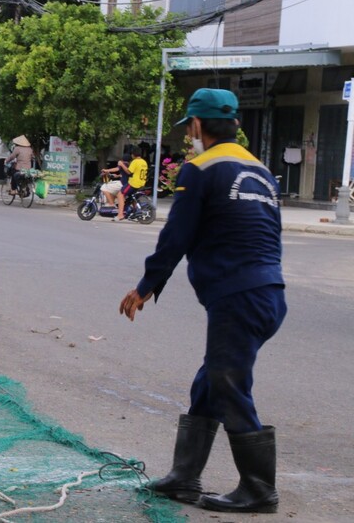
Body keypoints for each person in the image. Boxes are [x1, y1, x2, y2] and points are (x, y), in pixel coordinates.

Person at [119, 88, 286, 514]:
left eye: (189, 129)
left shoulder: (201, 168)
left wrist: (146, 285)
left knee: (228, 384)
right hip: (268, 294)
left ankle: (258, 488)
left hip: (237, 295)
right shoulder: (262, 171)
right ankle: (184, 477)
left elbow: (176, 235)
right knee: (211, 380)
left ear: (196, 125)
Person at [114, 146, 147, 221]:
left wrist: (122, 164)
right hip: (141, 183)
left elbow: (129, 172)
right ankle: (135, 211)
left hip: (134, 183)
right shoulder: (144, 162)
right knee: (132, 197)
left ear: (133, 154)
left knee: (120, 194)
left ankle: (120, 214)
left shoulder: (135, 162)